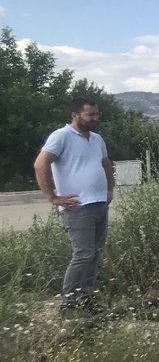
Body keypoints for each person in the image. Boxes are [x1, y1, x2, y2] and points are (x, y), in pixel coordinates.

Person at [34, 97, 116, 316]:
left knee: (94, 254)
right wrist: (52, 197)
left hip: (99, 204)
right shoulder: (61, 136)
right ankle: (68, 304)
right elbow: (41, 163)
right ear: (75, 115)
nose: (95, 118)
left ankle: (84, 299)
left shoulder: (97, 139)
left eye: (97, 114)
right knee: (83, 254)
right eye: (90, 115)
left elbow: (106, 164)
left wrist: (109, 190)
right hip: (77, 207)